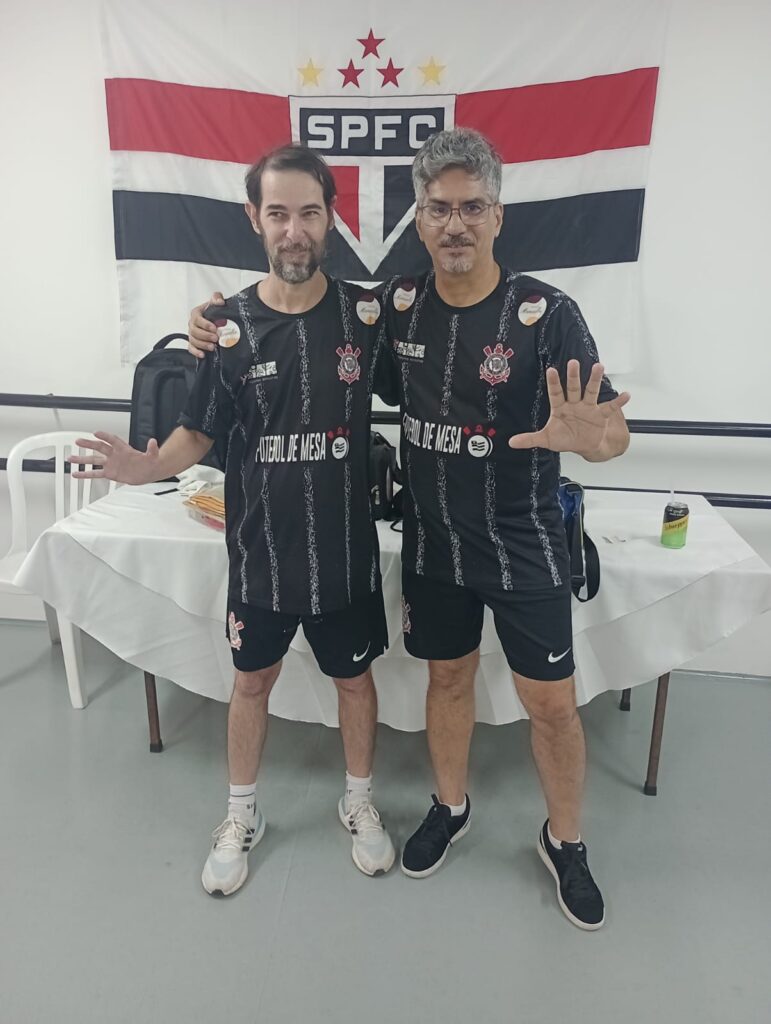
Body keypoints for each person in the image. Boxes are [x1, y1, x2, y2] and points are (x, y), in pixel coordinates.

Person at [188, 129, 631, 930]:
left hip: (524, 542)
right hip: (434, 543)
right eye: (439, 208)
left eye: (472, 207)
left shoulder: (547, 313)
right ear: (419, 220)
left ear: (497, 215)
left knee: (551, 706)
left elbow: (609, 432)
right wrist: (208, 325)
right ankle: (449, 807)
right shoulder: (394, 307)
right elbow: (304, 317)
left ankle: (565, 842)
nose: (455, 224)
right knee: (447, 681)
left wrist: (594, 440)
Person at [70, 144, 396, 897]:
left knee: (355, 683)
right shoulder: (227, 328)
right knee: (251, 685)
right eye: (278, 213)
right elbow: (197, 433)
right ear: (255, 219)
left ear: (331, 218)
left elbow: (426, 364)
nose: (294, 231)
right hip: (261, 557)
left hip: (345, 554)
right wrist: (147, 466)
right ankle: (241, 813)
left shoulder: (366, 316)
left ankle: (358, 800)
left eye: (308, 213)